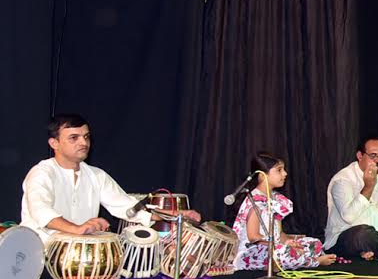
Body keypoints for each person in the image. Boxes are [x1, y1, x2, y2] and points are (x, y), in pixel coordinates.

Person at [21, 114, 200, 243]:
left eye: (86, 137)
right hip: (37, 256)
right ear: (54, 143)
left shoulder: (96, 175)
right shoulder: (42, 173)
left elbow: (128, 207)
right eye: (74, 138)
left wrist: (174, 215)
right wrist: (76, 229)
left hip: (76, 255)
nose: (83, 143)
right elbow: (41, 211)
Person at [231, 152, 335, 270]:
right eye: (279, 170)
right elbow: (254, 237)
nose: (285, 173)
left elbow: (279, 233)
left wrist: (289, 242)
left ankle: (298, 259)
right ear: (262, 175)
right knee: (285, 252)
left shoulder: (276, 199)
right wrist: (281, 246)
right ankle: (313, 261)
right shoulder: (255, 201)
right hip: (254, 251)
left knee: (314, 243)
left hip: (275, 247)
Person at [324, 137, 378, 260]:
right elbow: (349, 217)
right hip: (346, 235)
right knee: (363, 234)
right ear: (360, 155)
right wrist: (369, 187)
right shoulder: (342, 180)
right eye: (373, 155)